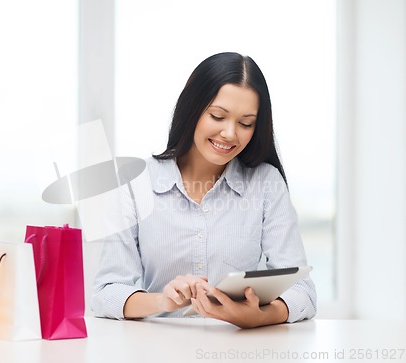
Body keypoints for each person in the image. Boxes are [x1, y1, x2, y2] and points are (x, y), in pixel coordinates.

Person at [91, 52, 316, 328]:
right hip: (155, 350)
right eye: (218, 116)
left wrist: (258, 317)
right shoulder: (134, 182)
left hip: (239, 351)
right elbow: (106, 293)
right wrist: (163, 301)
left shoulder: (266, 183)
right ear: (193, 109)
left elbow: (303, 291)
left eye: (246, 123)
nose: (230, 134)